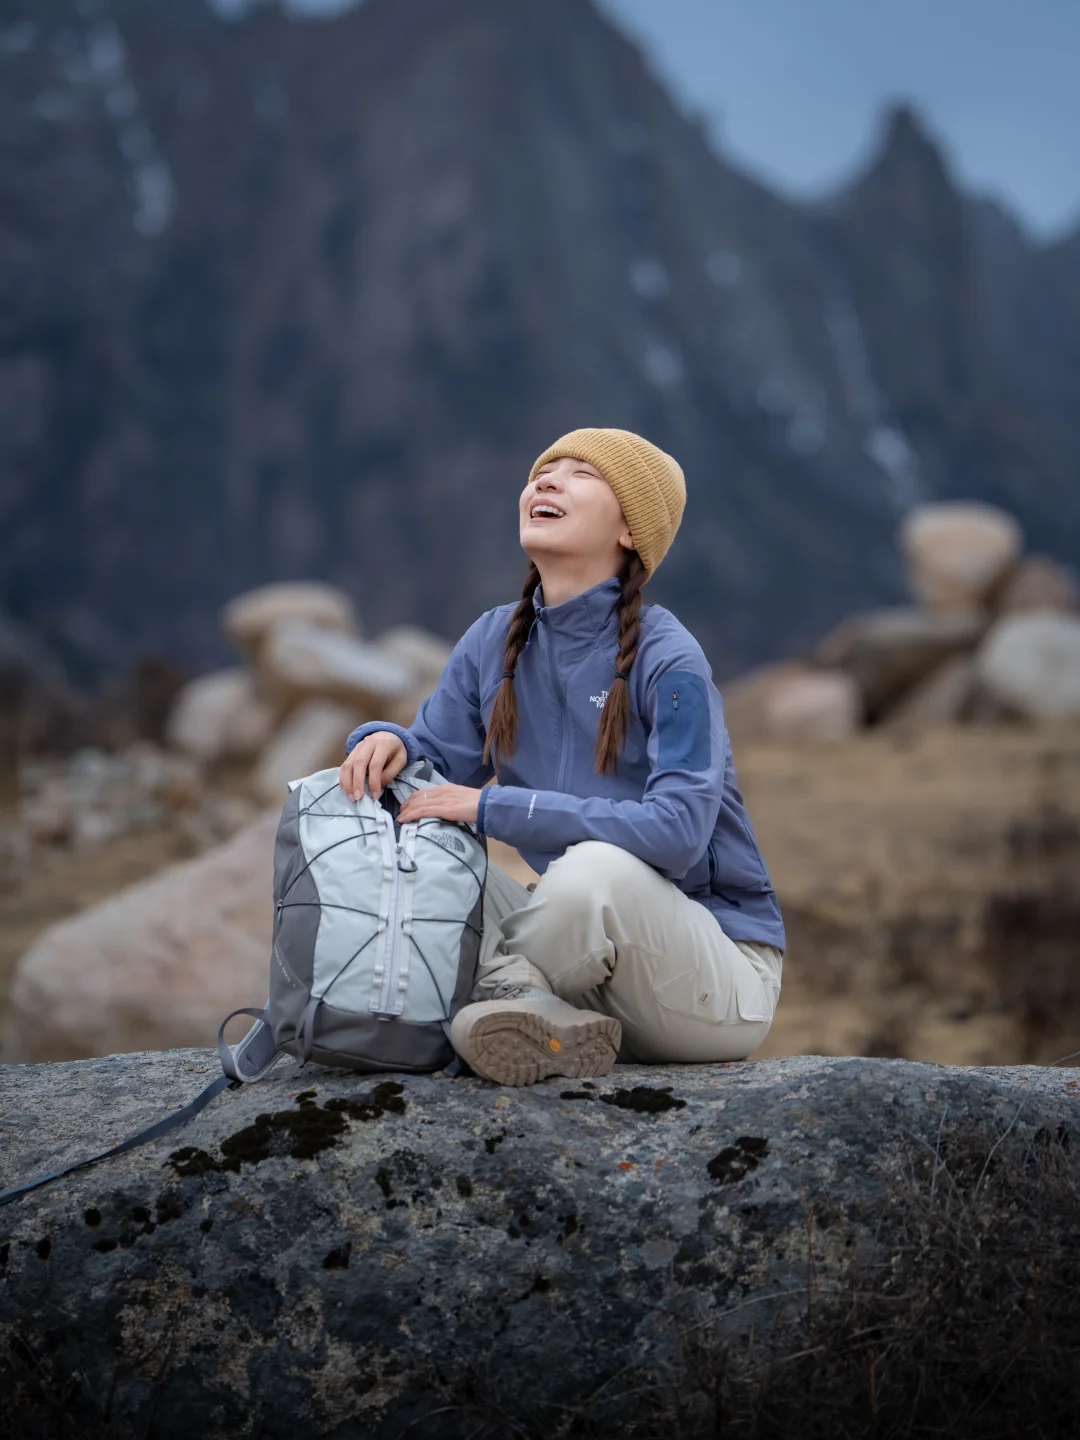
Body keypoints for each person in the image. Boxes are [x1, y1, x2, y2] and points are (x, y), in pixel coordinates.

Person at [339, 428, 784, 1086]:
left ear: (630, 528)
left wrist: (495, 807)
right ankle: (539, 1017)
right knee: (421, 851)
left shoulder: (674, 662)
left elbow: (679, 833)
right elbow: (432, 773)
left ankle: (494, 1000)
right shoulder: (494, 642)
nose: (546, 481)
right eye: (544, 471)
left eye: (581, 474)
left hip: (707, 980)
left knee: (590, 872)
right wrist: (388, 747)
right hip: (580, 964)